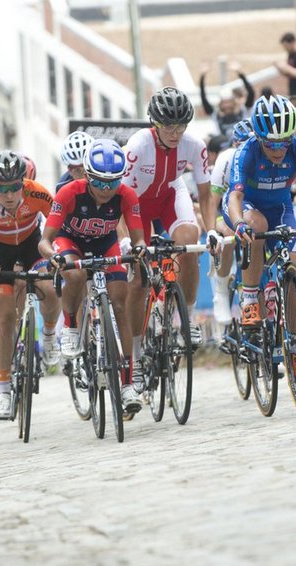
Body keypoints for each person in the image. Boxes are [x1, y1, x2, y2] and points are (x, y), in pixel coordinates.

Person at [225, 95, 296, 382]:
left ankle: (295, 346)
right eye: (271, 144)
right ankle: (250, 298)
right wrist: (238, 223)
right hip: (248, 209)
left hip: (281, 209)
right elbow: (236, 197)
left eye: (283, 142)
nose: (278, 150)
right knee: (256, 225)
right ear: (259, 137)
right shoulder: (247, 152)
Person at [39, 139, 147, 414]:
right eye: (100, 182)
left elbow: (138, 240)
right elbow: (45, 241)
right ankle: (72, 326)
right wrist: (54, 256)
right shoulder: (68, 192)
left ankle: (126, 385)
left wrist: (138, 250)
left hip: (104, 244)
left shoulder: (127, 196)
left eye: (113, 182)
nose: (106, 189)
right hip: (69, 242)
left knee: (120, 306)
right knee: (75, 276)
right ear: (87, 176)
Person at [122, 86, 213, 386]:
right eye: (168, 127)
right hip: (137, 206)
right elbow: (121, 199)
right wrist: (128, 240)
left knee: (191, 242)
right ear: (155, 124)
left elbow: (205, 194)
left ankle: (186, 317)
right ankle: (134, 357)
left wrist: (211, 230)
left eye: (180, 127)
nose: (175, 134)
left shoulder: (194, 144)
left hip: (170, 195)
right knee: (138, 280)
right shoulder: (138, 145)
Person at [0, 151, 60, 419]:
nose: (9, 195)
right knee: (5, 317)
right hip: (1, 253)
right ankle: (4, 391)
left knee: (51, 290)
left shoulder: (39, 194)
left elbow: (58, 227)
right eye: (2, 189)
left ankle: (50, 336)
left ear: (24, 182)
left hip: (34, 246)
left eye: (15, 187)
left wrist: (56, 252)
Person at [209, 119, 255, 325]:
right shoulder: (226, 159)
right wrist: (212, 228)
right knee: (230, 234)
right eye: (241, 145)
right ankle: (220, 290)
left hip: (251, 206)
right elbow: (212, 202)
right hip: (225, 208)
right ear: (234, 145)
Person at [198, 62, 256, 138]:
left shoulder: (244, 111)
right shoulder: (215, 115)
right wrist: (202, 77)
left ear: (233, 102)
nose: (227, 105)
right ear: (221, 104)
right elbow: (204, 99)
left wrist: (240, 73)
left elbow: (251, 93)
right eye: (224, 103)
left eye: (229, 102)